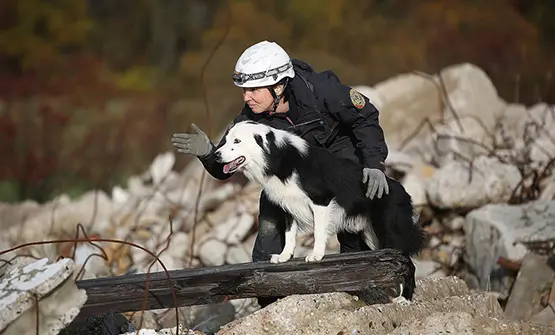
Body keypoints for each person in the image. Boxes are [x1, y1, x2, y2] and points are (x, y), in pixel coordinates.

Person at [171, 40, 390, 306]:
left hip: (338, 162)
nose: (245, 97)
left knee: (353, 227)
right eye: (243, 90)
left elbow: (365, 116)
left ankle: (364, 296)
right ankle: (270, 305)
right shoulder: (249, 119)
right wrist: (208, 153)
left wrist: (374, 164)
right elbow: (226, 168)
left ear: (278, 86)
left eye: (253, 89)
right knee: (269, 228)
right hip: (291, 179)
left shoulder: (322, 90)